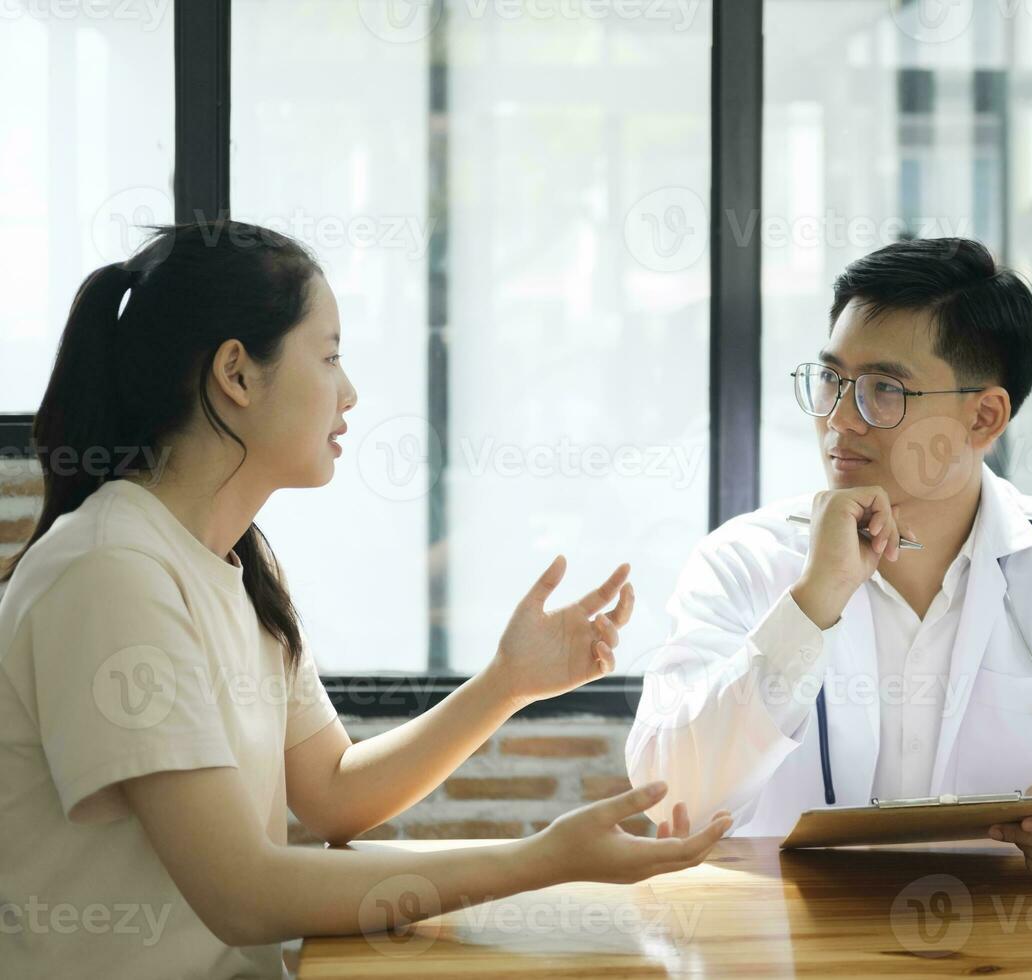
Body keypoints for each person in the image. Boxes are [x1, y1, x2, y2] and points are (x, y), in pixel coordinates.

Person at [0, 220, 730, 980]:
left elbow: (335, 793)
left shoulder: (239, 567)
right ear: (237, 375)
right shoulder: (109, 572)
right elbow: (242, 893)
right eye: (330, 356)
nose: (349, 391)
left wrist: (506, 684)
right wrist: (540, 861)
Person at [627, 237, 1032, 889]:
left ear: (983, 417)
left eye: (884, 389)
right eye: (832, 379)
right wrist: (811, 605)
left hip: (1016, 952)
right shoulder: (745, 562)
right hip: (791, 953)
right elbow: (666, 796)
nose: (840, 420)